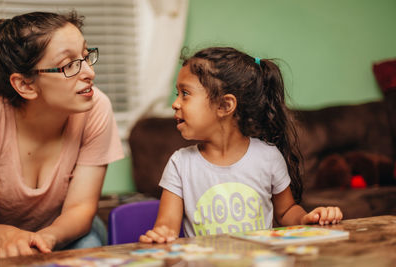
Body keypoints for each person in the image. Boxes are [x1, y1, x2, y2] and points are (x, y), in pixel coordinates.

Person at [139, 47, 343, 243]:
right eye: (177, 94)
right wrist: (162, 233)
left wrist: (306, 219)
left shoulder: (268, 157)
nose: (175, 103)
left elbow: (286, 212)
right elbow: (167, 224)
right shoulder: (180, 164)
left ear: (225, 105)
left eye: (185, 93)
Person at [0, 11, 124, 258]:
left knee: (87, 246)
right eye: (69, 65)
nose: (89, 73)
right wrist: (4, 234)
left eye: (86, 57)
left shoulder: (96, 106)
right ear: (25, 85)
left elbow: (80, 209)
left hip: (64, 231)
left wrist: (43, 240)